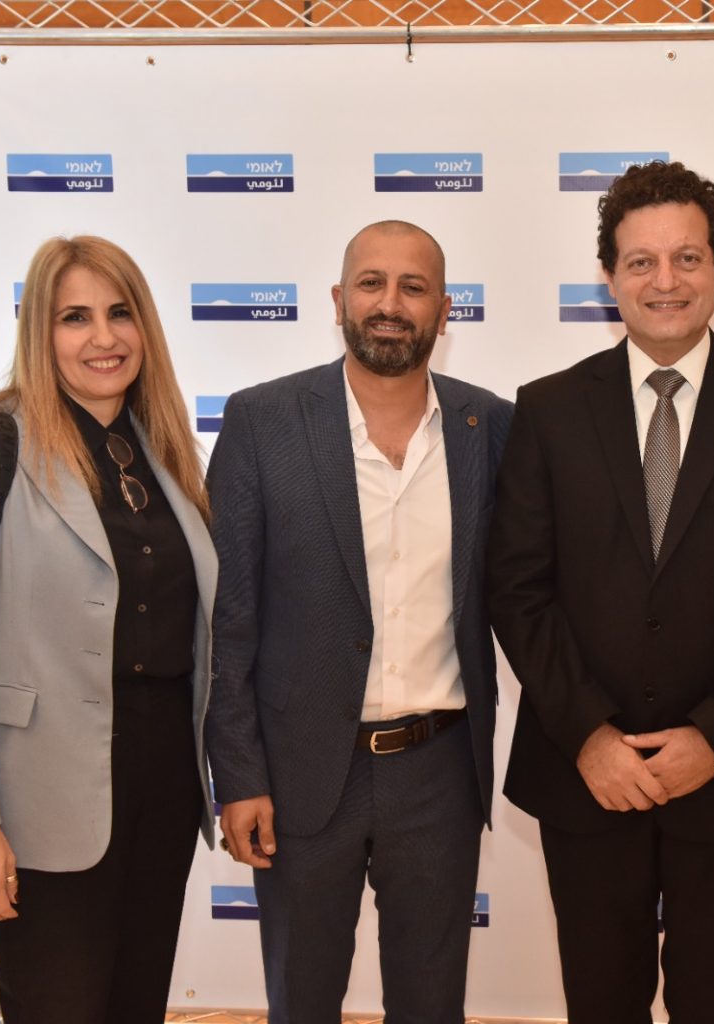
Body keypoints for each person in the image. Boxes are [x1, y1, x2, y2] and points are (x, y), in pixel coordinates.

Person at [486, 161, 714, 1023]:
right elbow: (518, 591)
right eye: (640, 261)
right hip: (586, 778)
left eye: (687, 257)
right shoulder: (547, 410)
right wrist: (589, 735)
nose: (665, 280)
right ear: (609, 276)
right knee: (600, 1004)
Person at [205, 220, 513, 1023]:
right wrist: (239, 776)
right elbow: (227, 621)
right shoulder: (262, 421)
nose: (390, 304)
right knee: (302, 1003)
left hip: (439, 772)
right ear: (339, 299)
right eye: (372, 283)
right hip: (301, 773)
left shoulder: (492, 428)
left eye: (413, 287)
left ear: (445, 310)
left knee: (431, 1006)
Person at [0, 236, 217, 1023]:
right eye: (74, 317)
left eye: (120, 314)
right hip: (34, 803)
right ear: (39, 333)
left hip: (164, 788)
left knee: (135, 1006)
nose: (102, 338)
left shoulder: (166, 454)